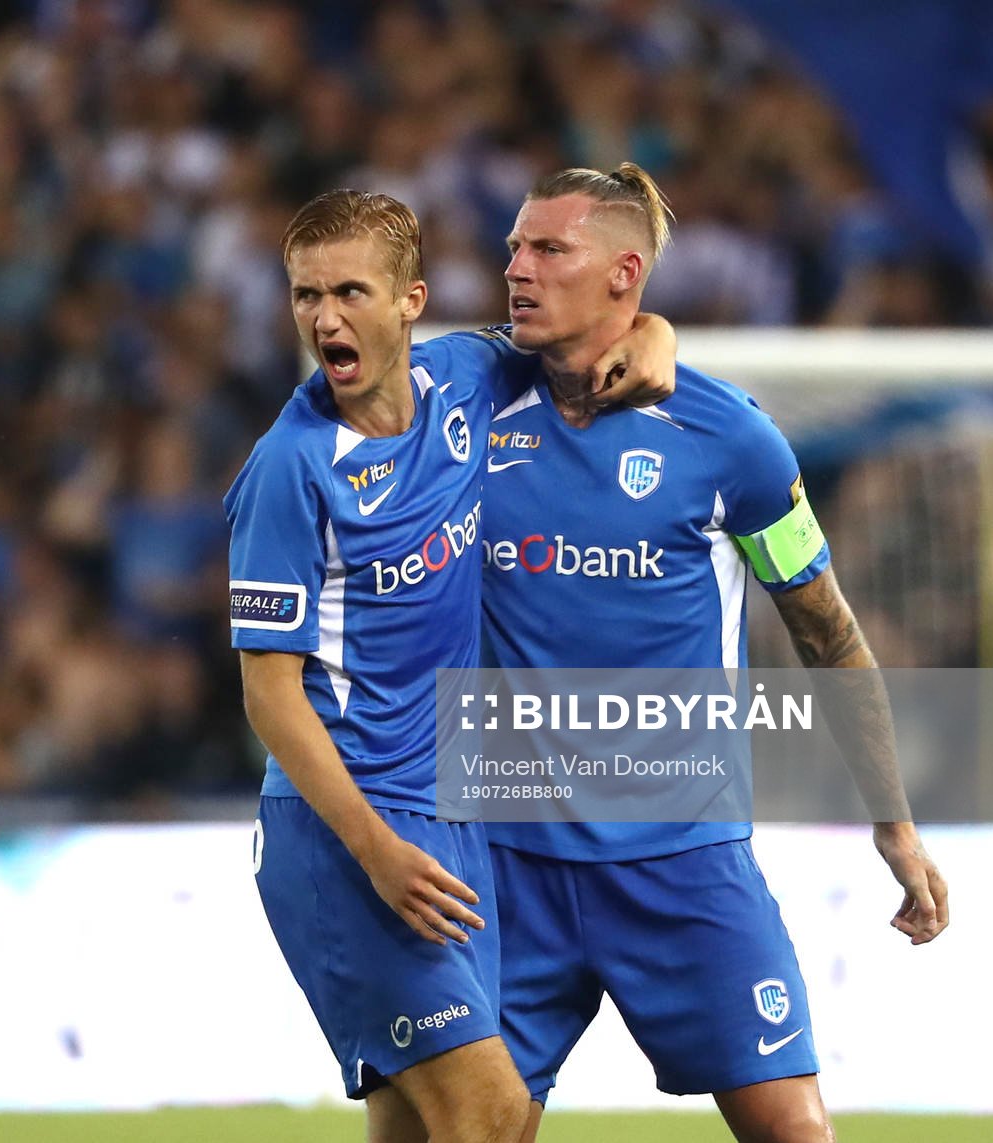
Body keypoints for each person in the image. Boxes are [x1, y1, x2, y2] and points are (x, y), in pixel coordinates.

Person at [479, 164, 949, 1143]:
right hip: (503, 863)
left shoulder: (730, 440)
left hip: (683, 866)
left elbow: (828, 633)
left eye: (548, 248)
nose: (515, 266)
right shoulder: (466, 405)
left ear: (624, 274)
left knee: (795, 1135)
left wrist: (894, 824)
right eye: (516, 245)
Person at [228, 189, 677, 1143]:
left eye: (349, 291)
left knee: (422, 1130)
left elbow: (587, 332)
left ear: (410, 301)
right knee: (493, 1114)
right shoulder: (292, 469)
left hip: (451, 818)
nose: (323, 318)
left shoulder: (465, 381)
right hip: (347, 829)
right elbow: (268, 696)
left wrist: (659, 333)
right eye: (305, 295)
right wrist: (376, 851)